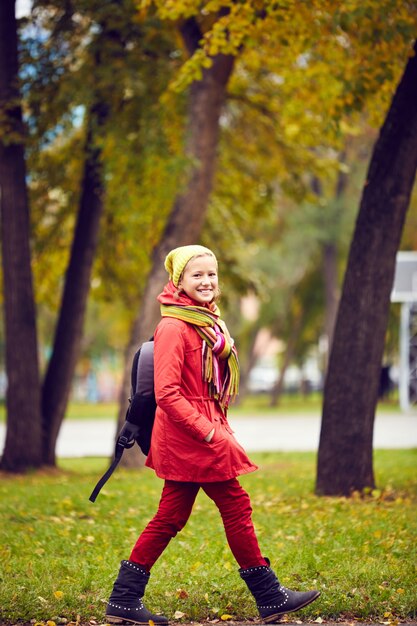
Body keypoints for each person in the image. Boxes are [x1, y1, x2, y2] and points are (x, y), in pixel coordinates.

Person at [105, 245, 320, 625]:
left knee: (170, 516)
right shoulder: (174, 326)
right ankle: (270, 597)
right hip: (192, 436)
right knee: (235, 506)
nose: (206, 282)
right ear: (179, 281)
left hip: (200, 430)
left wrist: (212, 424)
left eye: (211, 275)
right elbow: (168, 393)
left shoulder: (206, 321)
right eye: (197, 275)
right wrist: (207, 432)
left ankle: (123, 598)